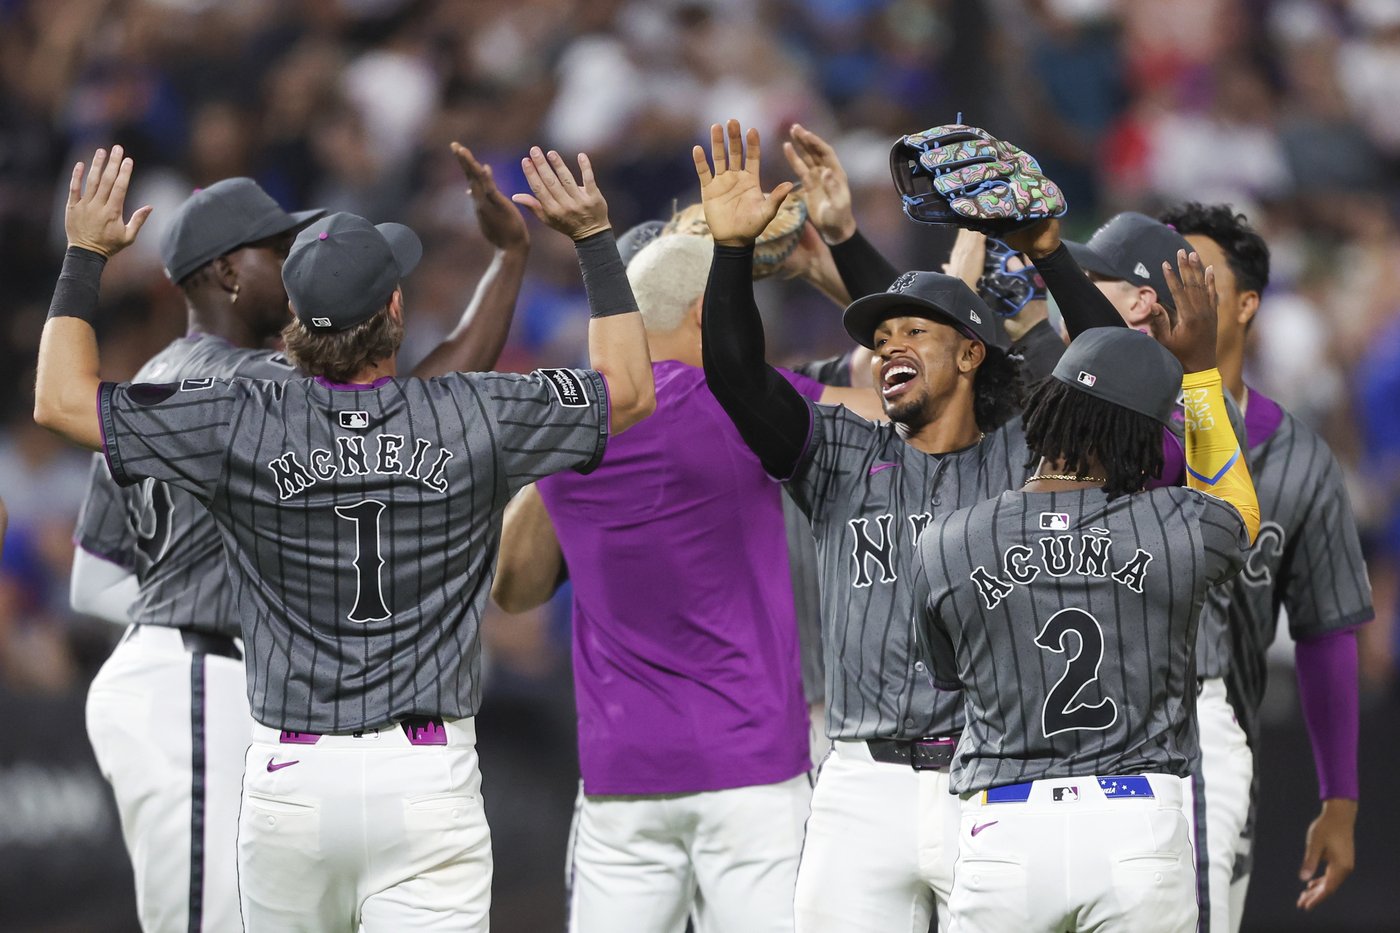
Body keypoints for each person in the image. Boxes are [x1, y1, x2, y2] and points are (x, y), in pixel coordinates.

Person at [35, 144, 654, 931]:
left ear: (297, 320)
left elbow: (59, 403)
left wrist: (85, 254)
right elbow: (629, 390)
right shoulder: (467, 413)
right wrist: (595, 238)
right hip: (418, 765)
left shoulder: (239, 417)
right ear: (395, 312)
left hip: (287, 765)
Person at [693, 118, 1129, 932]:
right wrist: (728, 254)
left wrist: (1047, 250)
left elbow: (1114, 374)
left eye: (913, 333)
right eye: (878, 337)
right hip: (864, 785)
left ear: (970, 354)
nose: (888, 347)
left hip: (996, 773)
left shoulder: (1031, 459)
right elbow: (735, 375)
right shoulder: (836, 453)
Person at [494, 225, 880, 933]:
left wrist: (548, 464)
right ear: (709, 311)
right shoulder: (745, 403)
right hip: (752, 768)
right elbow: (919, 415)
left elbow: (514, 590)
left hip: (623, 781)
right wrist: (835, 274)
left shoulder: (578, 422)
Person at [911, 252, 1260, 933]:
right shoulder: (1172, 526)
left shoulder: (949, 539)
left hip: (1002, 831)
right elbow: (1238, 511)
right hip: (1134, 824)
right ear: (1138, 437)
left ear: (1050, 407)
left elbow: (948, 674)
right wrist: (1199, 375)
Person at [1157, 202, 1371, 927]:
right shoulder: (1113, 425)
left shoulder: (1299, 458)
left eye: (1196, 273)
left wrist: (1339, 798)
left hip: (1223, 748)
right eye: (1163, 273)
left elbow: (1326, 633)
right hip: (1096, 748)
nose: (1172, 289)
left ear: (1247, 303)